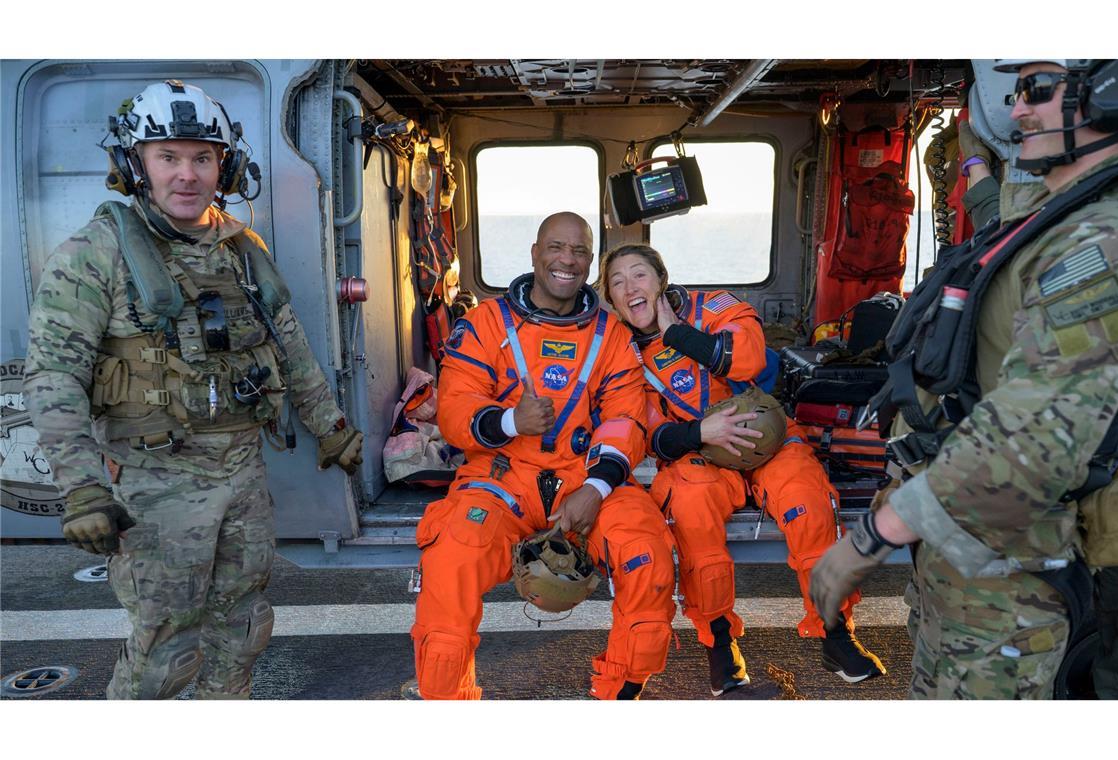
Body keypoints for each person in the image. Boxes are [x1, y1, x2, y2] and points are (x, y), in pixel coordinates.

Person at [810, 59, 1118, 699]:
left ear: (1115, 90)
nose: (1018, 111)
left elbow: (1034, 436)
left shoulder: (1109, 239)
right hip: (970, 543)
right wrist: (972, 162)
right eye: (1014, 92)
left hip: (1013, 548)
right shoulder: (1058, 214)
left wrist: (873, 536)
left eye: (1038, 90)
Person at [23, 80, 363, 699]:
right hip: (154, 482)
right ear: (135, 166)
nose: (188, 174)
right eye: (168, 157)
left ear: (224, 166)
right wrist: (82, 489)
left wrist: (331, 427)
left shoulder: (241, 248)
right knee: (166, 648)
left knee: (242, 630)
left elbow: (289, 345)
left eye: (202, 158)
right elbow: (53, 376)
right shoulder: (93, 255)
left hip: (241, 474)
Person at [410, 212, 677, 700]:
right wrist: (511, 421)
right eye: (557, 248)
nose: (567, 260)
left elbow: (625, 420)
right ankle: (447, 705)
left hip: (584, 478)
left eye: (579, 252)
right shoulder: (486, 324)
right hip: (501, 478)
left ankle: (624, 689)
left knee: (646, 553)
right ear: (535, 253)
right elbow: (454, 407)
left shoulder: (611, 335)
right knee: (453, 559)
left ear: (589, 262)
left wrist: (597, 489)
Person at [599, 244, 887, 689]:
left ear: (661, 279)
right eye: (618, 283)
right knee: (691, 504)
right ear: (612, 300)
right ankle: (719, 641)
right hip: (698, 453)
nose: (630, 288)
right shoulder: (621, 353)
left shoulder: (712, 307)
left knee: (806, 497)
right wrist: (701, 434)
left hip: (764, 435)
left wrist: (675, 334)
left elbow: (749, 357)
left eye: (639, 275)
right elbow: (644, 432)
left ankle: (835, 632)